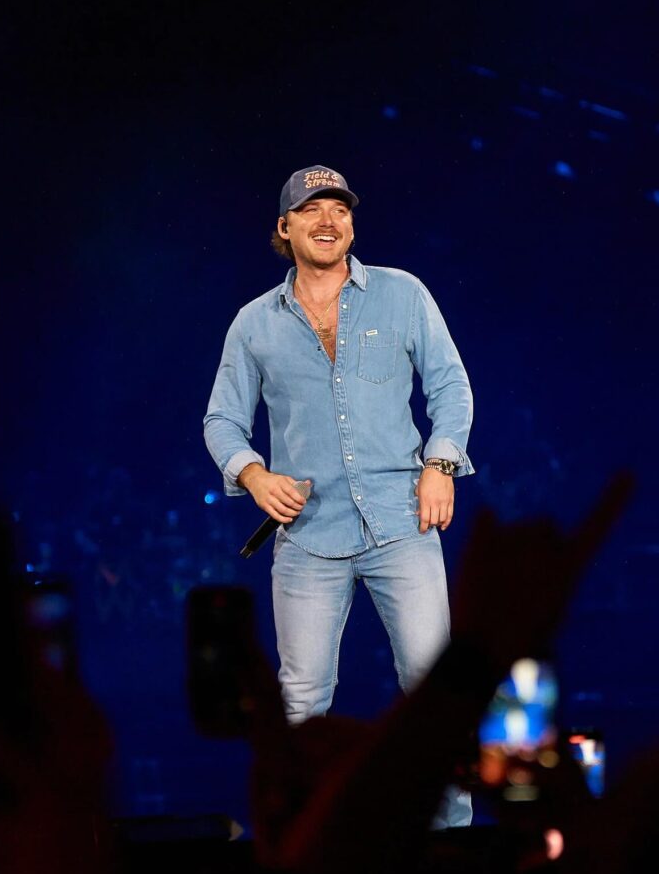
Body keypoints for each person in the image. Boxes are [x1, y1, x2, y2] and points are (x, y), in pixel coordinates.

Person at [203, 164, 475, 825]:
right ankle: (292, 846)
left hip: (401, 521)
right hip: (306, 538)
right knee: (299, 699)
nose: (329, 221)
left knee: (431, 693)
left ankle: (454, 843)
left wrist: (439, 462)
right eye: (312, 209)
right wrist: (253, 474)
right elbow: (221, 422)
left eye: (339, 209)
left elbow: (450, 387)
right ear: (283, 227)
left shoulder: (401, 294)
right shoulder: (253, 324)